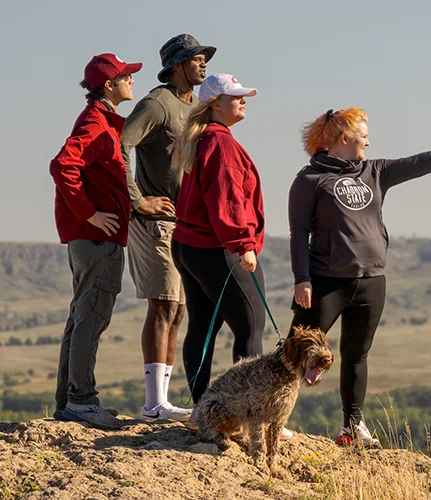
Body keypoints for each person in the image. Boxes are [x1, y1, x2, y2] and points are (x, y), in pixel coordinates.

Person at [288, 107, 431, 447]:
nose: (369, 141)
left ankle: (352, 427)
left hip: (372, 282)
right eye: (364, 135)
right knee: (294, 352)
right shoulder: (309, 181)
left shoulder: (375, 171)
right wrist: (302, 278)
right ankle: (267, 413)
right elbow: (298, 232)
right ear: (345, 139)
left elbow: (419, 163)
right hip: (326, 282)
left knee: (357, 355)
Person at [120, 34, 216, 422]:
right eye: (197, 58)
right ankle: (153, 405)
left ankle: (160, 401)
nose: (203, 64)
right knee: (162, 306)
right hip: (155, 220)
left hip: (183, 222)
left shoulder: (194, 106)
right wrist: (137, 199)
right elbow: (119, 145)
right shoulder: (157, 103)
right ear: (178, 65)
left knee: (177, 310)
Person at [49, 53, 142, 429]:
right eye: (126, 76)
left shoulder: (101, 120)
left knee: (81, 316)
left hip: (90, 238)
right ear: (109, 85)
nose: (131, 81)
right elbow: (62, 165)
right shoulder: (95, 123)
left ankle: (69, 401)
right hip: (95, 238)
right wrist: (88, 213)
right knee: (93, 315)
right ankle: (82, 402)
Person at [170, 73, 267, 431]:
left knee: (202, 328)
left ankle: (202, 412)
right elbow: (226, 200)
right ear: (215, 104)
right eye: (235, 96)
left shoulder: (204, 139)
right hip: (218, 248)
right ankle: (249, 414)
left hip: (189, 246)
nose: (243, 101)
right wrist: (243, 244)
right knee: (251, 326)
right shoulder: (221, 144)